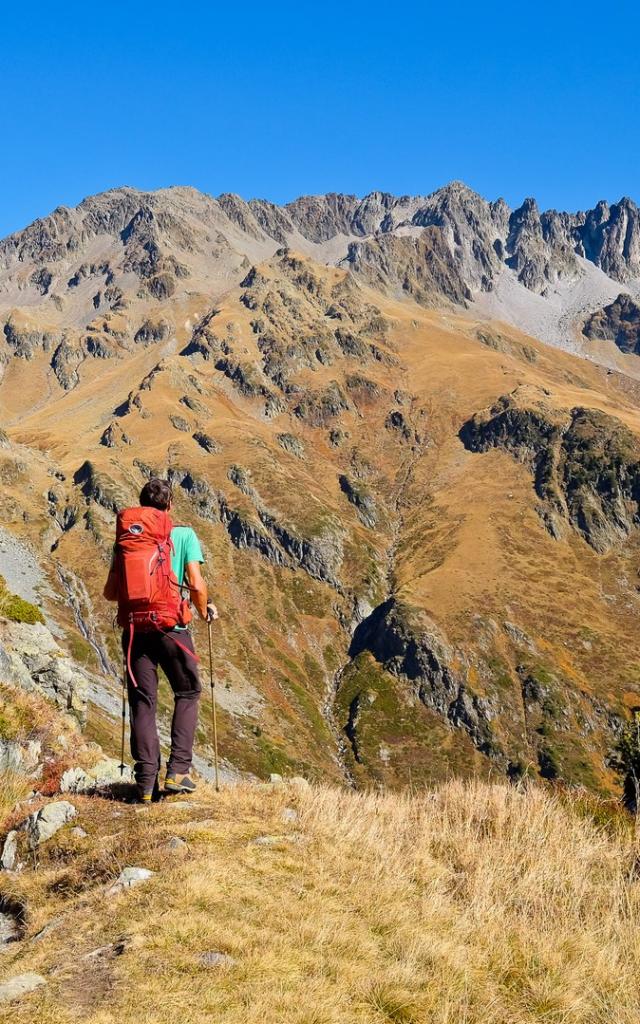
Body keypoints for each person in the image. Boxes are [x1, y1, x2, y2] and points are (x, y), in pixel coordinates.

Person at [104, 478, 217, 802]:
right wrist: (204, 608)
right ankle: (178, 771)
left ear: (141, 507)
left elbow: (111, 593)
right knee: (189, 690)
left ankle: (144, 784)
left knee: (143, 702)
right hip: (171, 628)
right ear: (169, 507)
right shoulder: (182, 534)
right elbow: (195, 583)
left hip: (135, 632)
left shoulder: (126, 542)